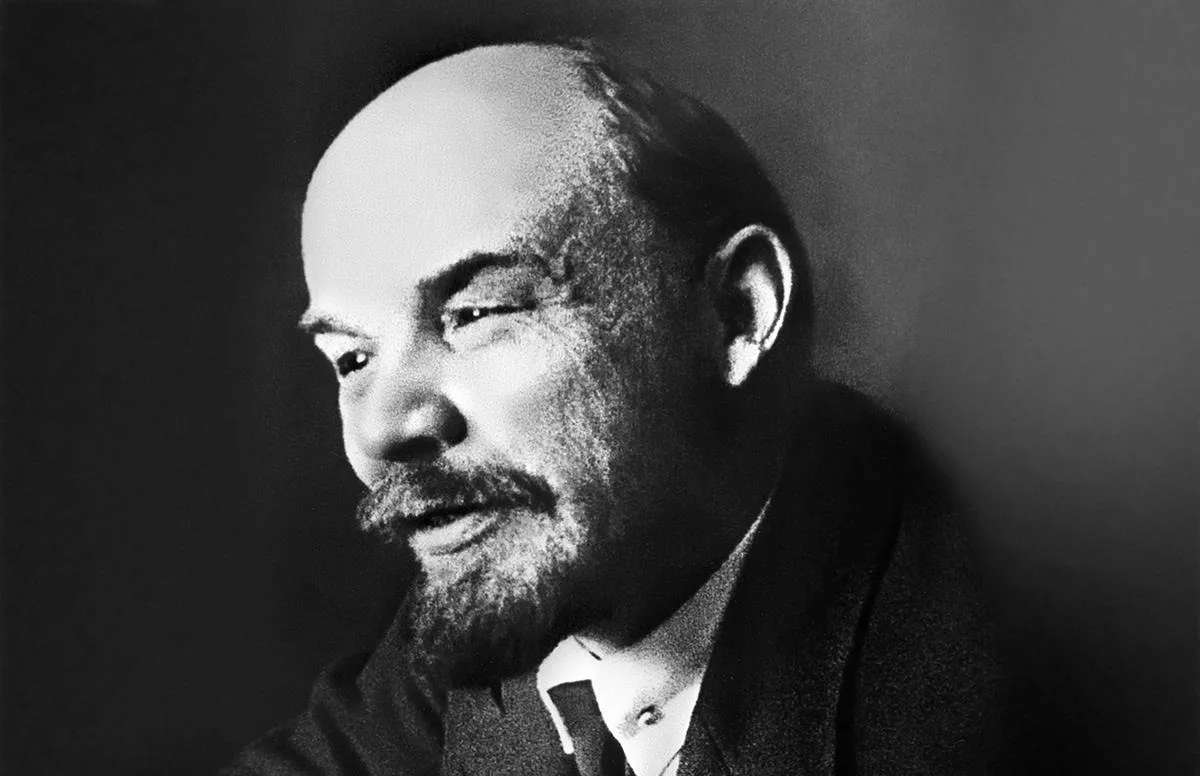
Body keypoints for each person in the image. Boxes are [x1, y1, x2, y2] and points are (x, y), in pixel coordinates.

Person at [224, 39, 1013, 776]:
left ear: (736, 313)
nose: (382, 430)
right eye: (352, 359)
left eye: (477, 313)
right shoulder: (520, 581)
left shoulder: (998, 680)